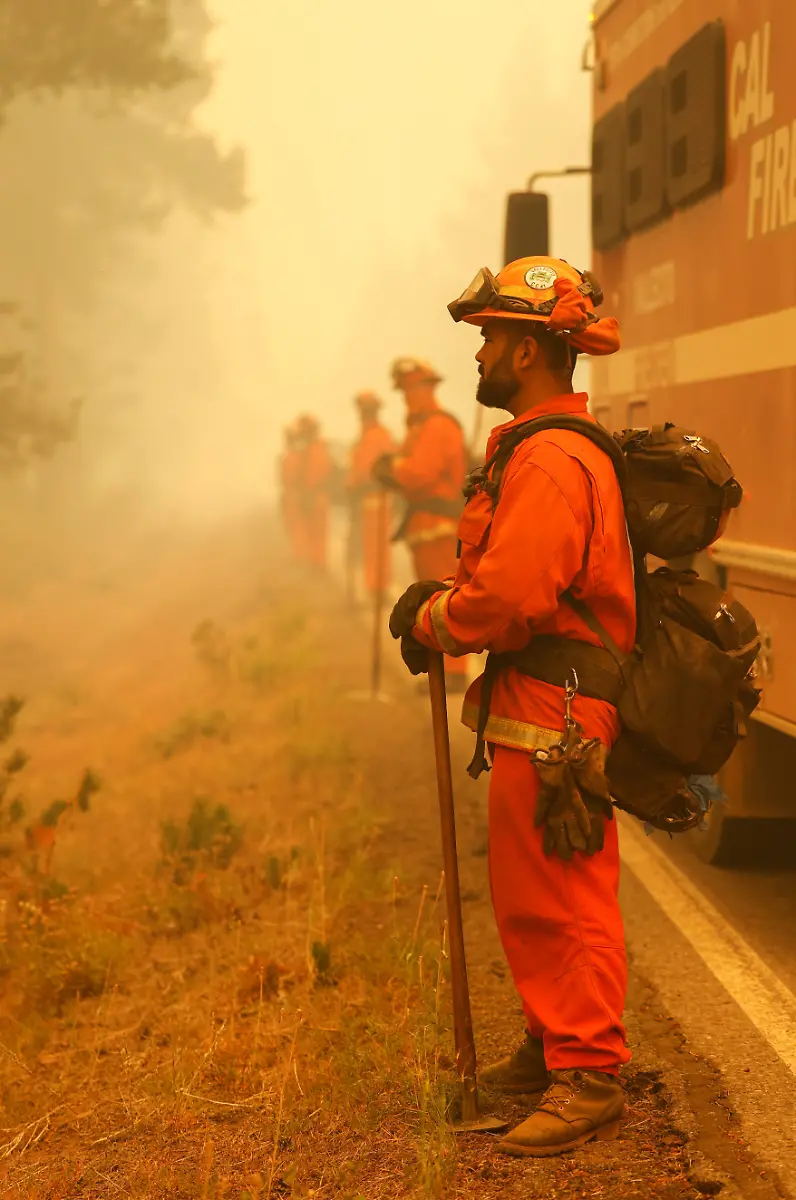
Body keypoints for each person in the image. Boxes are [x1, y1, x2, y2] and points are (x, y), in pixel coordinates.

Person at [388, 257, 635, 1156]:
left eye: (492, 338)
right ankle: (549, 1042)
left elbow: (517, 596)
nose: (481, 355)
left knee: (564, 895)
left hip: (560, 705)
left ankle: (589, 1071)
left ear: (528, 350)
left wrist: (436, 617)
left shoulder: (553, 461)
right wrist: (447, 603)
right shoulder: (535, 450)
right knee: (533, 892)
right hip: (538, 700)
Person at [374, 357, 469, 691]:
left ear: (426, 388)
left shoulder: (438, 426)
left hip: (440, 524)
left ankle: (455, 671)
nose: (406, 396)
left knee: (444, 596)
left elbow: (420, 473)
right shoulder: (419, 426)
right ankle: (440, 668)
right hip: (424, 525)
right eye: (403, 391)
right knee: (428, 600)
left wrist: (394, 469)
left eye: (411, 389)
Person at [346, 391, 395, 599]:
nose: (362, 415)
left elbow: (373, 470)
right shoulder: (366, 436)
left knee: (377, 547)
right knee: (370, 546)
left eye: (365, 410)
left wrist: (355, 485)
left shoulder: (378, 436)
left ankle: (378, 588)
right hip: (366, 499)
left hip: (377, 497)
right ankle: (375, 586)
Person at [294, 413, 333, 572]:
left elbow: (314, 477)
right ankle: (315, 564)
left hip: (316, 497)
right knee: (312, 531)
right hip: (314, 496)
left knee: (317, 533)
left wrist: (307, 493)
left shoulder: (316, 449)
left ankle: (319, 566)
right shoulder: (312, 449)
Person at [278, 422, 303, 561]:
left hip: (294, 497)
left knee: (297, 528)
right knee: (294, 528)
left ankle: (300, 558)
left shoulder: (295, 457)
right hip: (291, 497)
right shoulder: (294, 456)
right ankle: (298, 556)